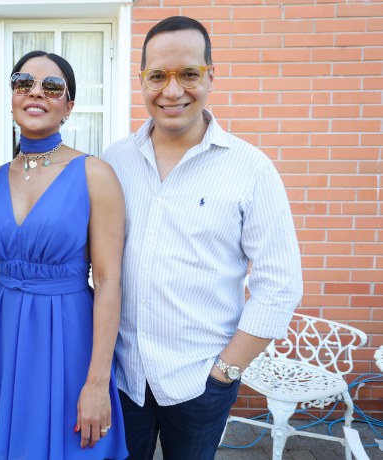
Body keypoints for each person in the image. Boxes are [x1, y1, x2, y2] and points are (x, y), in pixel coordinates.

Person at [102, 16, 303, 459]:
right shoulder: (113, 161)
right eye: (157, 76)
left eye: (188, 74)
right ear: (142, 81)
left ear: (211, 75)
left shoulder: (251, 168)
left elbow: (280, 283)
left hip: (200, 382)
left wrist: (227, 371)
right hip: (123, 377)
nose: (172, 91)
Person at [0, 51, 129, 459]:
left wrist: (96, 383)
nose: (36, 93)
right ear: (12, 97)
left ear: (68, 106)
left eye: (52, 87)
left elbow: (109, 281)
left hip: (68, 335)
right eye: (24, 83)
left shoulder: (94, 174)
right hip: (7, 335)